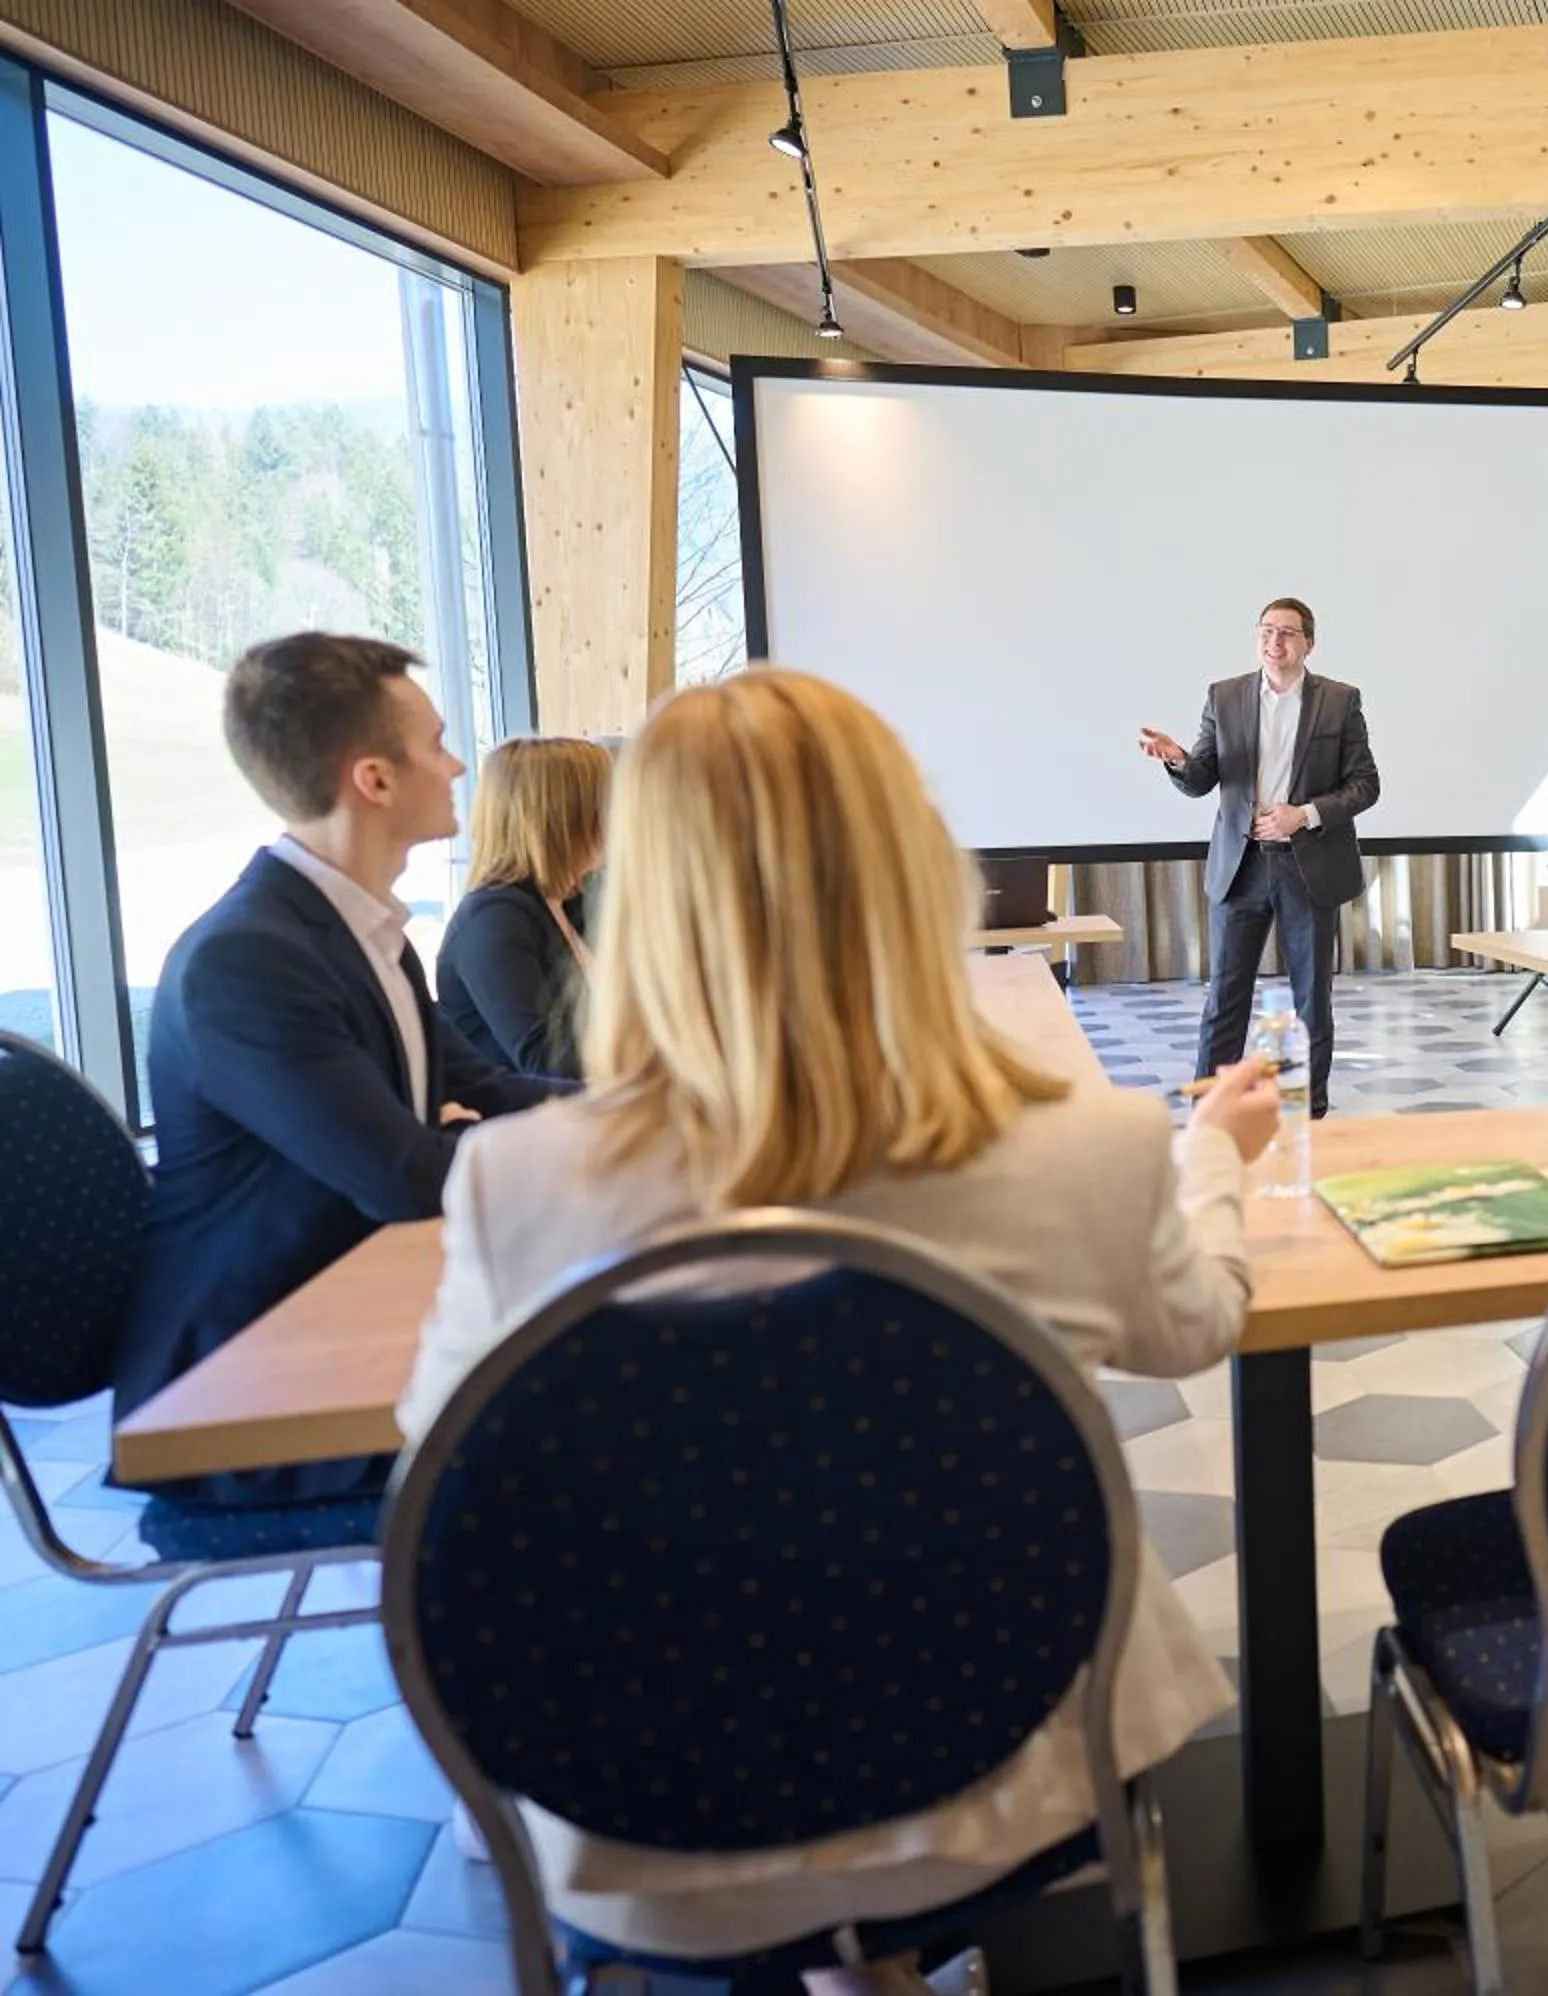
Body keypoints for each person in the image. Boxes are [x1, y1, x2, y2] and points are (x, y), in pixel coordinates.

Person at [398, 668, 1283, 1990]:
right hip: (1013, 1759)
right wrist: (1210, 1154)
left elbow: (445, 1501)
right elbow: (1195, 1328)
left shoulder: (514, 1184)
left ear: (644, 893)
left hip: (658, 1805)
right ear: (916, 867)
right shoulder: (1086, 1147)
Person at [113, 633, 563, 1508]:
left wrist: (661, 1111)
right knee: (605, 1408)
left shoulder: (362, 932)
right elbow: (406, 1176)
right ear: (375, 780)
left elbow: (485, 1090)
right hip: (243, 1388)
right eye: (437, 744)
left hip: (343, 1313)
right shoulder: (245, 960)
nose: (458, 766)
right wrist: (620, 1149)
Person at [1137, 596, 1380, 1116]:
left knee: (1311, 1001)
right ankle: (1211, 1112)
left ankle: (1308, 1113)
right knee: (1224, 997)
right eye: (1267, 631)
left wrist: (1304, 814)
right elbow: (1203, 779)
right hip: (1241, 867)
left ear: (1309, 643)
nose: (1275, 641)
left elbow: (1365, 785)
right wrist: (1178, 759)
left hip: (1309, 867)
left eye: (1287, 633)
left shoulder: (1339, 701)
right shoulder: (1224, 696)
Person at [437, 735, 611, 1080]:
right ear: (565, 818)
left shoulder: (572, 898)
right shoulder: (493, 919)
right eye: (605, 802)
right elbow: (545, 1060)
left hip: (586, 1101)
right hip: (528, 1108)